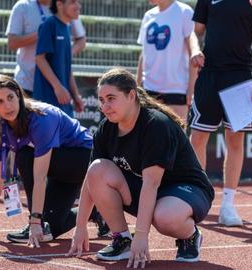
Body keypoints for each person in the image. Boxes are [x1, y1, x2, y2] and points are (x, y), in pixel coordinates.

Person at [67, 68, 215, 266]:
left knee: (165, 217)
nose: (105, 106)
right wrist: (80, 226)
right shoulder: (106, 128)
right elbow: (90, 179)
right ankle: (122, 239)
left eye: (111, 98)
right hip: (148, 188)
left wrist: (142, 236)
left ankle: (189, 236)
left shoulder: (156, 125)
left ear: (131, 95)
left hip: (187, 190)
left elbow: (152, 184)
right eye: (102, 100)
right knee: (97, 169)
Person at [0, 74, 105, 245]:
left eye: (10, 97)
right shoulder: (1, 127)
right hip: (60, 166)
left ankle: (38, 222)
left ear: (19, 96)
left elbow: (40, 176)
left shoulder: (42, 117)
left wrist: (35, 221)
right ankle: (95, 212)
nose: (7, 105)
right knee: (55, 225)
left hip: (84, 159)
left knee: (25, 156)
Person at [188, 0, 252, 226]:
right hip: (210, 74)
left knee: (235, 140)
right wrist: (195, 50)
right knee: (197, 138)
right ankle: (196, 198)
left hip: (240, 78)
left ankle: (228, 204)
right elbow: (195, 33)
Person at [6, 0, 86, 96]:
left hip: (56, 85)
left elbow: (81, 40)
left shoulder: (65, 6)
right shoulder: (23, 6)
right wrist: (45, 32)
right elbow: (12, 43)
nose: (77, 6)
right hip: (26, 84)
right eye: (74, 2)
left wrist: (64, 55)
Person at [136, 0, 197, 122]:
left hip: (176, 89)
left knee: (176, 137)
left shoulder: (184, 12)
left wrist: (191, 90)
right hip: (149, 89)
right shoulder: (148, 15)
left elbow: (192, 53)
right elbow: (144, 53)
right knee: (148, 137)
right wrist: (137, 85)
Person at [33, 0, 84, 117]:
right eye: (72, 2)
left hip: (64, 101)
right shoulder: (49, 24)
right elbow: (40, 59)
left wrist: (76, 96)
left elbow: (67, 67)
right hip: (48, 101)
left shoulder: (67, 28)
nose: (78, 6)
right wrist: (58, 87)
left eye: (78, 2)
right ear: (59, 4)